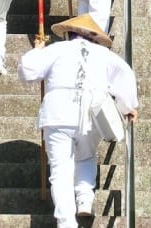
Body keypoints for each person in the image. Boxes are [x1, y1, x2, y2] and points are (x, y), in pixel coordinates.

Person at [18, 14, 139, 228]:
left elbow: (27, 70)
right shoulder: (104, 54)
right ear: (93, 37)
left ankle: (66, 222)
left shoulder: (57, 49)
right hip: (92, 113)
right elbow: (125, 75)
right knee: (85, 156)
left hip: (58, 112)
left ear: (69, 34)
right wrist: (127, 107)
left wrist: (38, 49)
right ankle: (84, 199)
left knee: (60, 169)